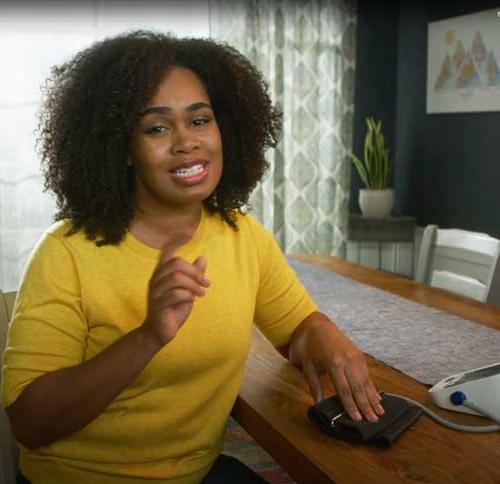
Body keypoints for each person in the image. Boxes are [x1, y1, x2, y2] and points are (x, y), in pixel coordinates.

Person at [1, 31, 384, 484]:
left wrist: (320, 329)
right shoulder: (66, 252)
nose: (187, 142)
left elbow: (295, 329)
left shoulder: (243, 237)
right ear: (122, 149)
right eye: (157, 128)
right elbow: (30, 423)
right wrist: (147, 336)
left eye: (200, 120)